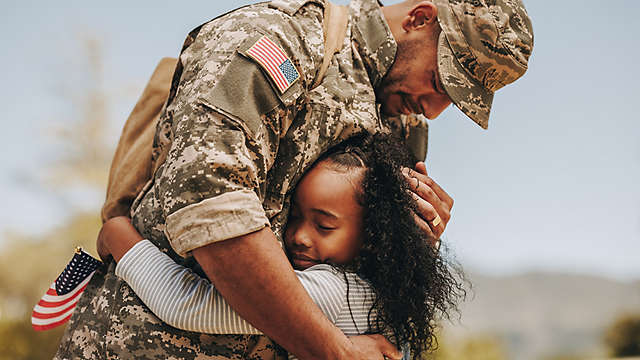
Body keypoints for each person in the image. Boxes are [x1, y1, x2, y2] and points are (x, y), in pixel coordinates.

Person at [55, 0, 533, 358]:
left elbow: (372, 271)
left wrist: (420, 235)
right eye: (441, 79)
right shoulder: (279, 40)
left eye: (458, 98)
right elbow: (214, 213)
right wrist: (334, 351)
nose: (435, 108)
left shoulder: (402, 124)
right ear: (419, 18)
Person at [97, 134, 466, 359]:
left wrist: (120, 237)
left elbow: (187, 305)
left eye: (324, 225)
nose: (300, 237)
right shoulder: (388, 291)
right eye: (295, 217)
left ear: (374, 237)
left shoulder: (334, 291)